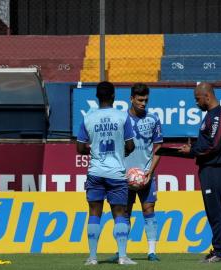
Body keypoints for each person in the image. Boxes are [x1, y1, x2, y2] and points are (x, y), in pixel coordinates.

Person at [76, 81, 136, 265]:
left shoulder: (88, 118)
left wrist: (94, 151)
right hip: (116, 172)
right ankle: (123, 256)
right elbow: (130, 145)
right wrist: (120, 151)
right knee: (120, 212)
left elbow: (80, 148)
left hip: (95, 171)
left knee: (94, 212)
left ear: (97, 97)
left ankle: (93, 257)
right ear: (113, 96)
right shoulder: (122, 117)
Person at [179, 82, 221, 263]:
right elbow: (207, 143)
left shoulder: (217, 117)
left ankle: (218, 252)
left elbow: (213, 145)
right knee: (212, 211)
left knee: (216, 211)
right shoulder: (211, 116)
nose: (196, 103)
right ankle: (217, 250)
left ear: (207, 96)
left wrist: (191, 151)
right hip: (208, 168)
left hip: (215, 169)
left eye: (197, 99)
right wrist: (192, 148)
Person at [119, 83, 163, 262]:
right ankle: (122, 252)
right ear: (131, 99)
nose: (143, 103)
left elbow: (158, 147)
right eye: (140, 100)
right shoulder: (121, 120)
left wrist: (150, 172)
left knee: (149, 209)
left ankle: (152, 251)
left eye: (146, 100)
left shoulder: (153, 119)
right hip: (124, 175)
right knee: (124, 212)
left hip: (145, 173)